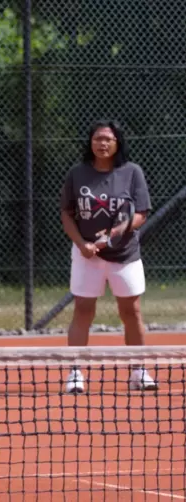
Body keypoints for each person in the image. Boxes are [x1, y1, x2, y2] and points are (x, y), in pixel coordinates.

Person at [59, 119, 157, 394]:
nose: (102, 144)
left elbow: (140, 213)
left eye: (108, 139)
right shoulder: (77, 174)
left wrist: (114, 232)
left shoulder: (132, 172)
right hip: (86, 256)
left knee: (131, 311)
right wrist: (81, 244)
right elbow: (66, 212)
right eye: (97, 139)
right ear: (90, 143)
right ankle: (75, 374)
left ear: (117, 144)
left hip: (125, 255)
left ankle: (139, 371)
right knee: (83, 311)